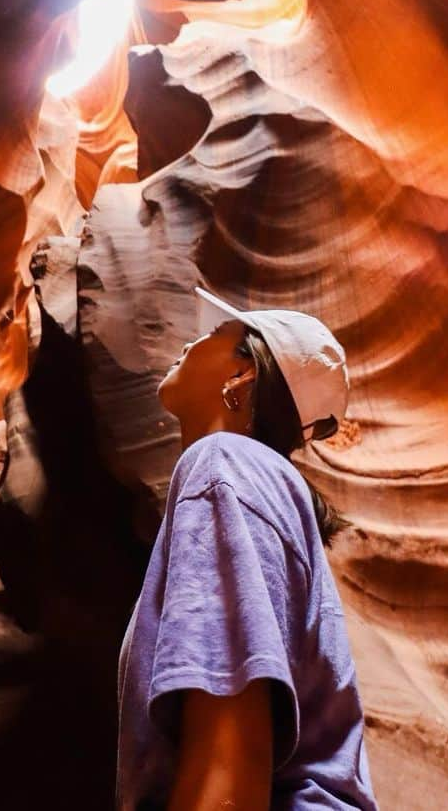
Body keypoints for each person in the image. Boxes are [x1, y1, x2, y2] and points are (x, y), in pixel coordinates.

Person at [116, 285, 379, 810]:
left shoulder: (224, 465)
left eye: (215, 333)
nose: (191, 342)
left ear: (244, 375)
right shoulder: (255, 483)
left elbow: (228, 753)